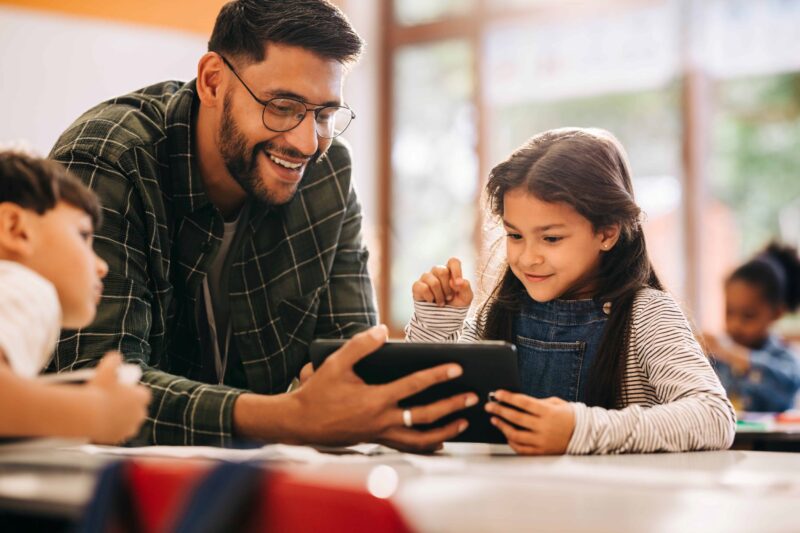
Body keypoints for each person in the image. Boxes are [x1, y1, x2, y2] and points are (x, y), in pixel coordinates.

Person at [48, 0, 472, 450]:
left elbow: (352, 366)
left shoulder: (327, 175)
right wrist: (287, 417)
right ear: (213, 80)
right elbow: (93, 384)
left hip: (259, 484)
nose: (307, 143)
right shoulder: (110, 159)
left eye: (325, 115)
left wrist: (376, 409)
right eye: (284, 106)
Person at [406, 127, 736, 455]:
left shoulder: (647, 315)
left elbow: (714, 417)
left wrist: (578, 430)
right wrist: (438, 323)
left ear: (607, 232)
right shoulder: (497, 313)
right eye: (515, 236)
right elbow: (423, 412)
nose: (527, 258)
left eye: (551, 238)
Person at [0, 151, 150, 444]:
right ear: (15, 230)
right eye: (83, 235)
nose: (102, 265)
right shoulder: (25, 287)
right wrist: (97, 412)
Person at [704, 243, 800, 412]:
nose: (735, 324)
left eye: (748, 315)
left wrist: (733, 354)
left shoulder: (786, 359)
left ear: (776, 313)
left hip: (774, 439)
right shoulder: (717, 359)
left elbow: (786, 387)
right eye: (729, 312)